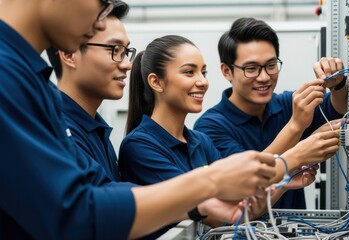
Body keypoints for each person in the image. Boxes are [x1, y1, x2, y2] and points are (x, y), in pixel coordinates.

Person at [0, 1, 278, 239]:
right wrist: (209, 183)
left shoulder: (36, 86)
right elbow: (75, 213)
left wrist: (196, 204)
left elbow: (100, 191)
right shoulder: (9, 77)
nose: (98, 18)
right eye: (113, 50)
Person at [118, 34, 340, 237]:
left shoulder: (199, 141)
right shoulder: (140, 147)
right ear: (156, 82)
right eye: (189, 72)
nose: (203, 81)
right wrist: (295, 156)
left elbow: (240, 208)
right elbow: (215, 214)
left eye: (203, 72)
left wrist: (286, 180)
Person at [194, 17, 347, 210]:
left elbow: (339, 109)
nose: (264, 77)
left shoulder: (287, 104)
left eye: (271, 65)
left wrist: (338, 84)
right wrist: (296, 126)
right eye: (251, 68)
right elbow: (247, 178)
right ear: (227, 71)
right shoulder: (210, 127)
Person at [46, 0, 133, 182]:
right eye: (115, 50)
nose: (127, 64)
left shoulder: (94, 128)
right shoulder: (56, 128)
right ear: (69, 54)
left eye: (126, 52)